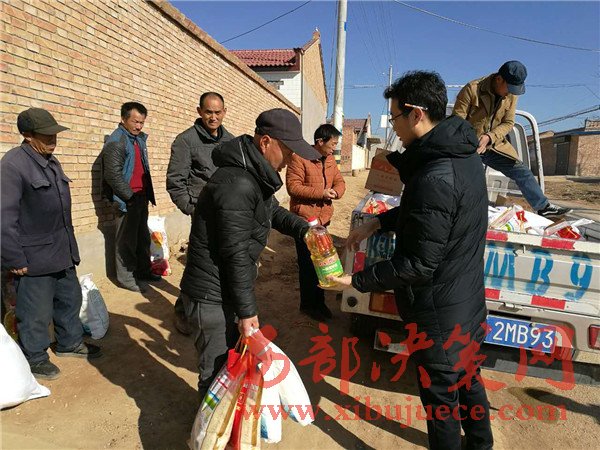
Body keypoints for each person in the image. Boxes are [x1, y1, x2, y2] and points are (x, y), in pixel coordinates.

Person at [329, 71, 494, 450]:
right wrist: (377, 222)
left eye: (395, 117)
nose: (393, 126)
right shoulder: (462, 157)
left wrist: (357, 280)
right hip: (466, 303)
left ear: (416, 113)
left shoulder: (435, 175)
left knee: (441, 403)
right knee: (469, 379)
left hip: (438, 317)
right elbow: (430, 215)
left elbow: (418, 264)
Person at [179, 108, 321, 400]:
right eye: (287, 151)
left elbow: (272, 211)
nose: (289, 160)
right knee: (216, 374)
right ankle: (207, 426)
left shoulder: (252, 175)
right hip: (212, 295)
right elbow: (236, 253)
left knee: (229, 367)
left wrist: (305, 230)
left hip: (225, 290)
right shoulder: (238, 183)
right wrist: (247, 312)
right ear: (266, 142)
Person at [1, 108, 102, 380]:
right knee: (35, 311)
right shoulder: (13, 165)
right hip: (33, 256)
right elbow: (3, 217)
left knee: (70, 299)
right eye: (45, 135)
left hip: (61, 250)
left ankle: (70, 343)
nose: (52, 139)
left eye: (54, 134)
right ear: (27, 135)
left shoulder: (50, 160)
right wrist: (13, 258)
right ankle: (34, 357)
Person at [453, 60, 570, 218]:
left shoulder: (511, 95)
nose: (510, 93)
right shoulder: (472, 89)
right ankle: (458, 209)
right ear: (499, 79)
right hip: (468, 145)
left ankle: (544, 207)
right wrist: (472, 142)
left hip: (494, 145)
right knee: (468, 177)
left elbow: (508, 123)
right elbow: (457, 122)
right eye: (509, 88)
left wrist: (490, 137)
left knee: (522, 172)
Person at [167, 92, 233, 335]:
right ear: (199, 111)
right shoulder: (186, 141)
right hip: (202, 215)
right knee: (198, 264)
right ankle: (183, 311)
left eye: (217, 112)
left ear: (224, 112)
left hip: (227, 213)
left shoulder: (231, 141)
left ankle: (218, 309)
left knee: (224, 262)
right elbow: (175, 182)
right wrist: (192, 208)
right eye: (208, 112)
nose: (213, 117)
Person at [286, 124, 346, 321]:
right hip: (304, 220)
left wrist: (337, 192)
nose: (334, 148)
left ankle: (319, 303)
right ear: (320, 142)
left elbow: (340, 181)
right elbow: (293, 187)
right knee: (308, 265)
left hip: (322, 220)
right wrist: (322, 193)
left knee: (322, 263)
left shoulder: (330, 160)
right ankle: (308, 305)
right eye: (333, 144)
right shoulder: (299, 157)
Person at [101, 102, 159, 293]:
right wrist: (129, 197)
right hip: (126, 200)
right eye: (135, 122)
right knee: (126, 241)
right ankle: (126, 278)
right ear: (123, 119)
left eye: (142, 122)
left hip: (140, 197)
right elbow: (112, 175)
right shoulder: (117, 141)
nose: (139, 126)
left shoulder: (137, 139)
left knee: (142, 238)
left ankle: (143, 271)